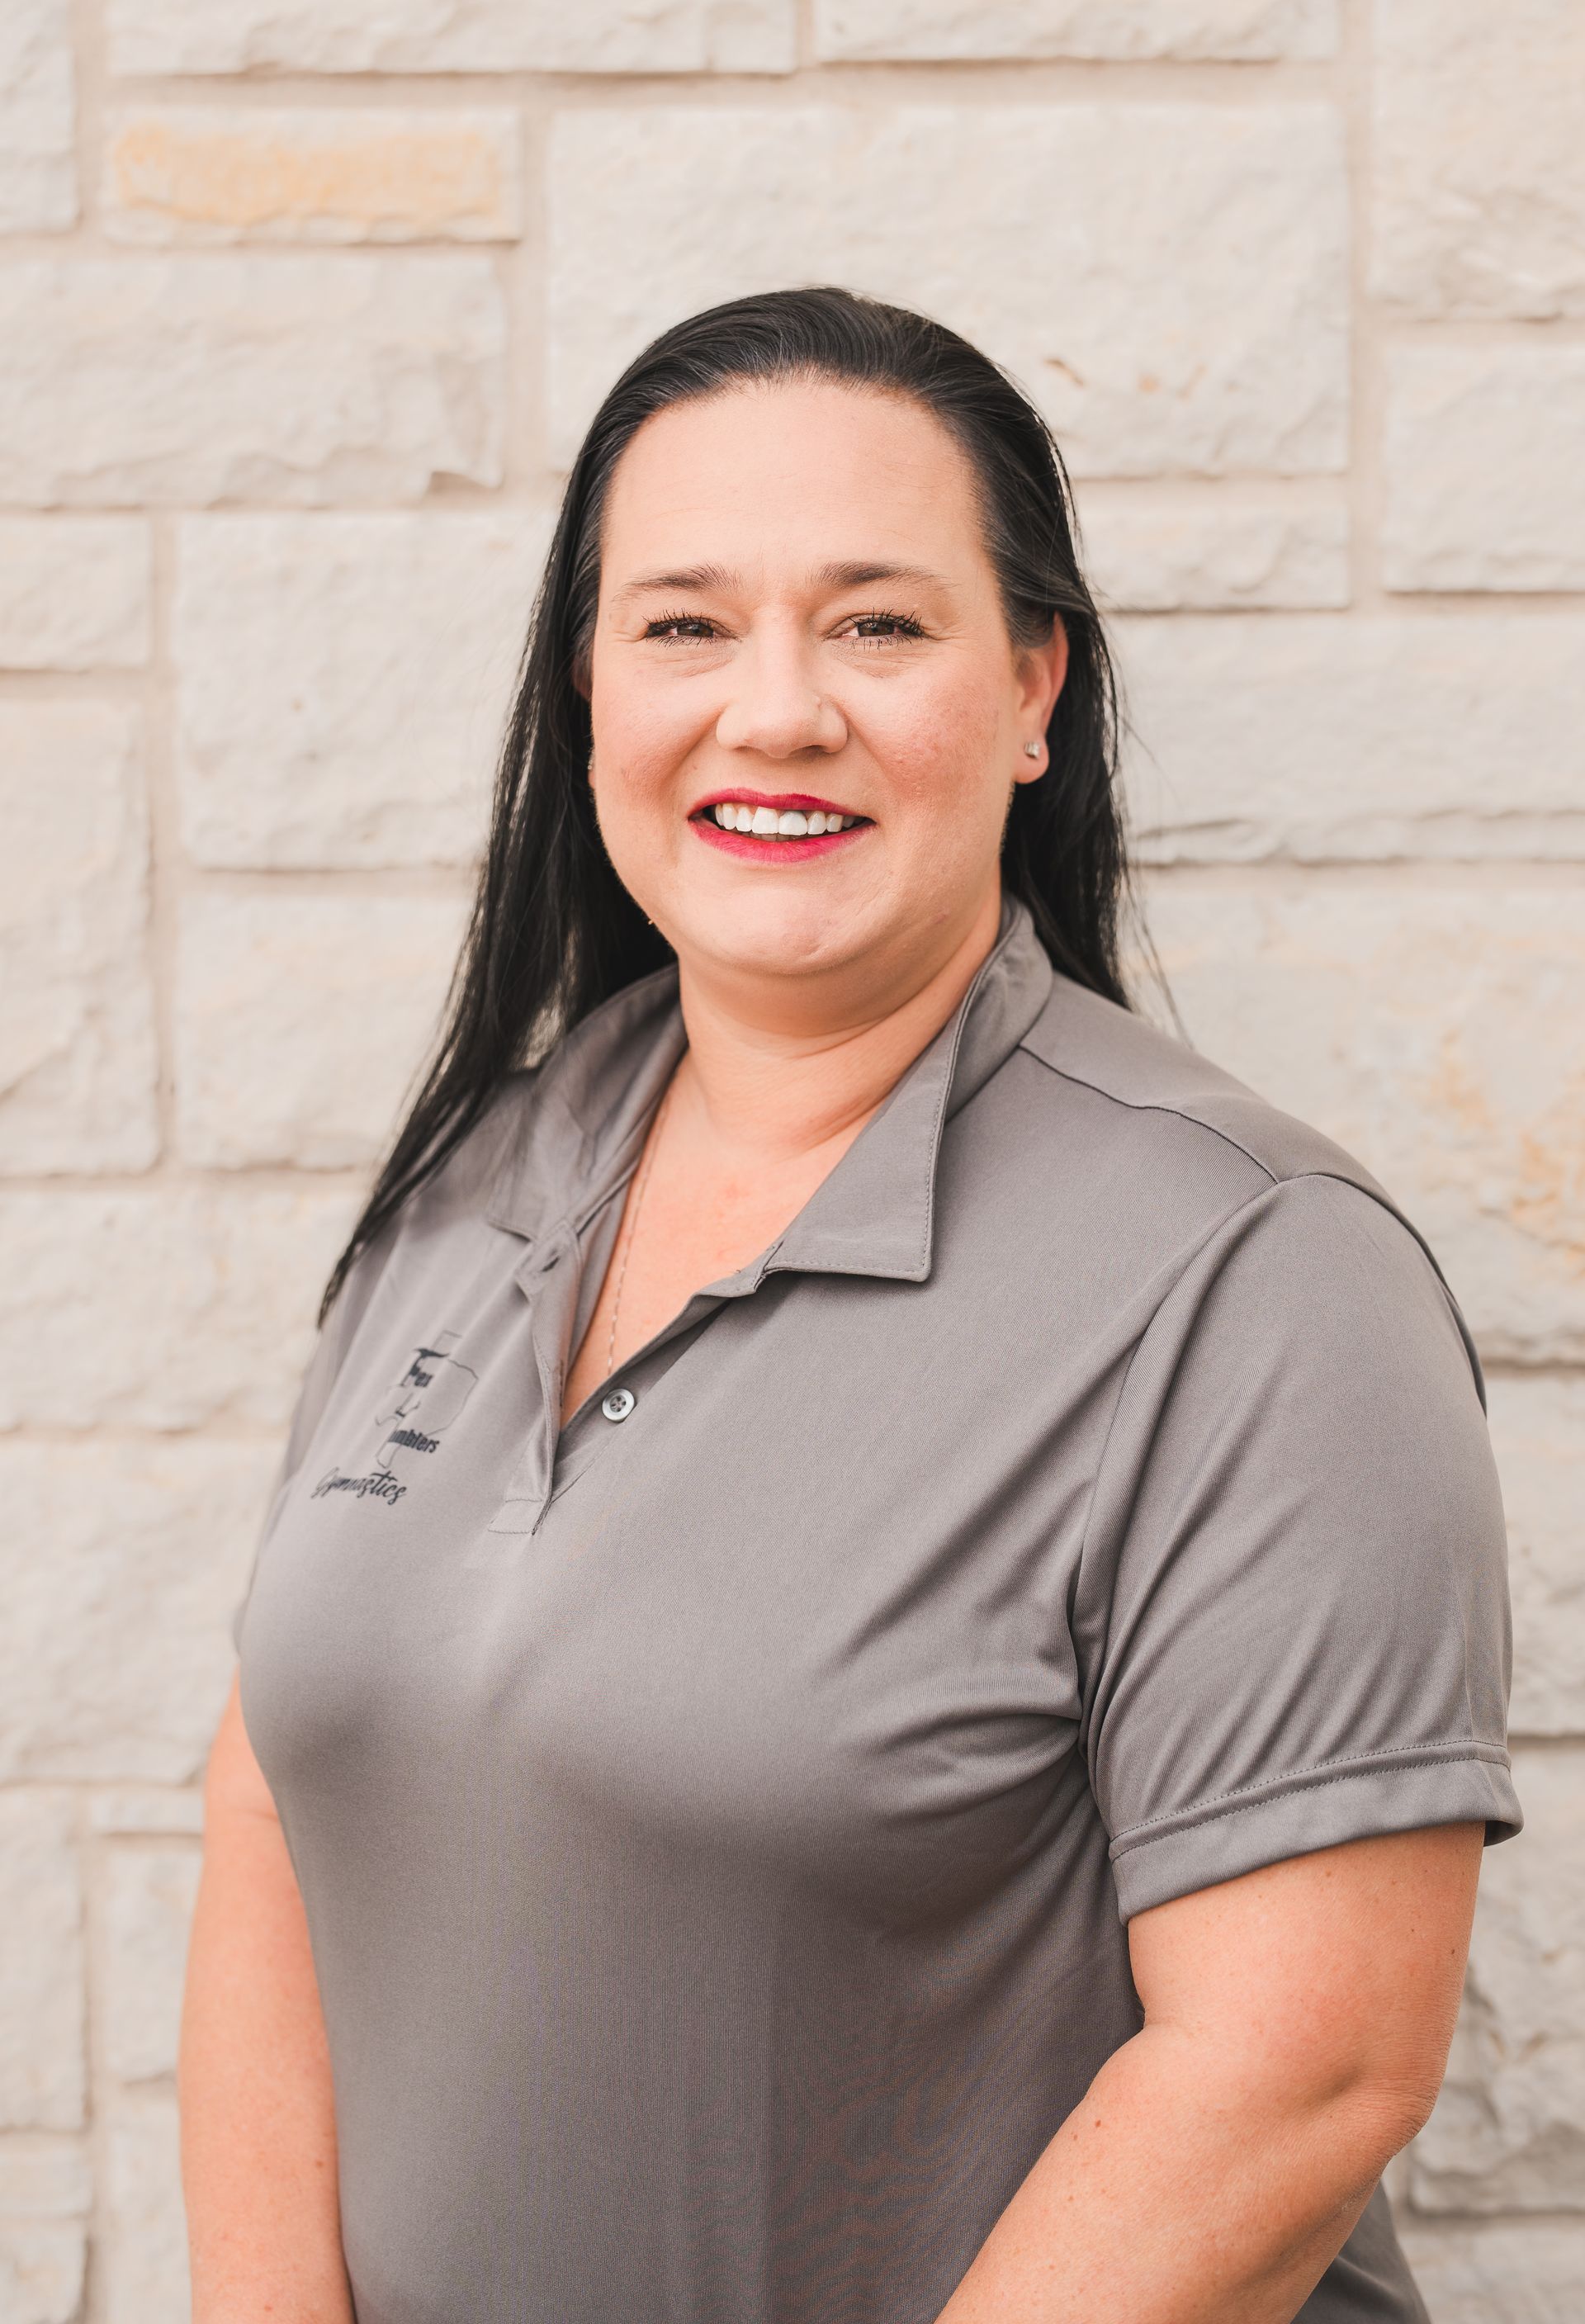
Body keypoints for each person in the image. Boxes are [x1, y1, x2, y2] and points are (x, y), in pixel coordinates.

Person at [177, 287, 1521, 2324]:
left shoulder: (1254, 1270)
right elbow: (283, 1786)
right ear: (589, 692)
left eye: (879, 624)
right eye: (685, 624)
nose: (777, 708)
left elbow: (1300, 2073)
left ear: (1034, 688)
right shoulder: (478, 1180)